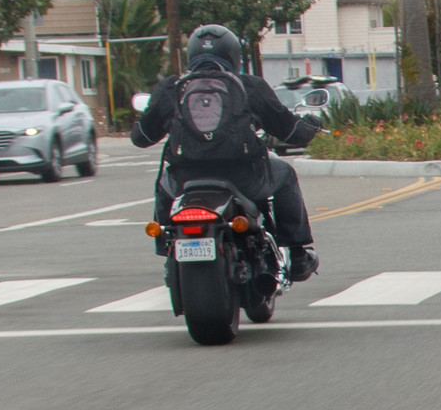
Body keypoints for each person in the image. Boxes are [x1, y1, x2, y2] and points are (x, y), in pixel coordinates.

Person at [134, 25, 321, 282]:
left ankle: (168, 255)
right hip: (244, 179)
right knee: (285, 173)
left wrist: (149, 118)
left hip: (185, 181)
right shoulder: (249, 86)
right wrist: (311, 125)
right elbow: (290, 132)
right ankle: (298, 254)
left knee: (164, 180)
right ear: (234, 55)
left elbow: (141, 139)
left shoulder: (172, 87)